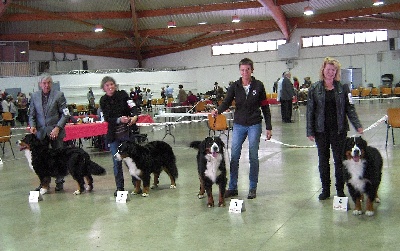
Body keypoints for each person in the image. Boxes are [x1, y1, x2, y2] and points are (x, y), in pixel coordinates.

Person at [211, 58, 272, 199]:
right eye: (242, 70)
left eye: (247, 69)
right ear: (240, 71)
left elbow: (265, 107)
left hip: (254, 124)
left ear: (252, 70)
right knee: (235, 156)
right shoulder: (235, 86)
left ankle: (252, 187)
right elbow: (226, 101)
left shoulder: (259, 85)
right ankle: (232, 187)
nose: (245, 72)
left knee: (253, 156)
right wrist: (218, 111)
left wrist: (268, 126)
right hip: (239, 124)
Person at [306, 57, 363, 200]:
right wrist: (310, 130)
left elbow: (350, 108)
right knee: (323, 161)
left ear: (336, 72)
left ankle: (340, 190)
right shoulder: (314, 88)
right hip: (321, 131)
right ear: (323, 70)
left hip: (339, 130)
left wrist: (357, 124)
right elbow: (310, 111)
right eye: (328, 69)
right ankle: (325, 190)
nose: (330, 72)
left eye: (333, 70)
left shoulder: (343, 87)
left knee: (339, 161)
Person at [29, 74, 70, 193]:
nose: (47, 85)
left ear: (51, 83)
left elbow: (65, 114)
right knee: (42, 160)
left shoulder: (59, 95)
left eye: (49, 83)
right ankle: (44, 184)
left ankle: (59, 182)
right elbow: (31, 114)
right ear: (40, 84)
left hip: (56, 132)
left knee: (59, 158)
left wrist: (57, 127)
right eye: (44, 83)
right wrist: (32, 125)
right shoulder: (34, 96)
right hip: (41, 134)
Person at [99, 76, 139, 196]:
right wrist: (119, 119)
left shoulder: (123, 95)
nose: (110, 87)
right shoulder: (103, 100)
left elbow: (133, 107)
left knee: (131, 161)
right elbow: (107, 118)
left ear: (115, 85)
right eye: (107, 85)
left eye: (112, 84)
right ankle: (120, 188)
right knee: (117, 162)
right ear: (103, 88)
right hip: (114, 135)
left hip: (127, 133)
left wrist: (134, 116)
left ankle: (136, 186)